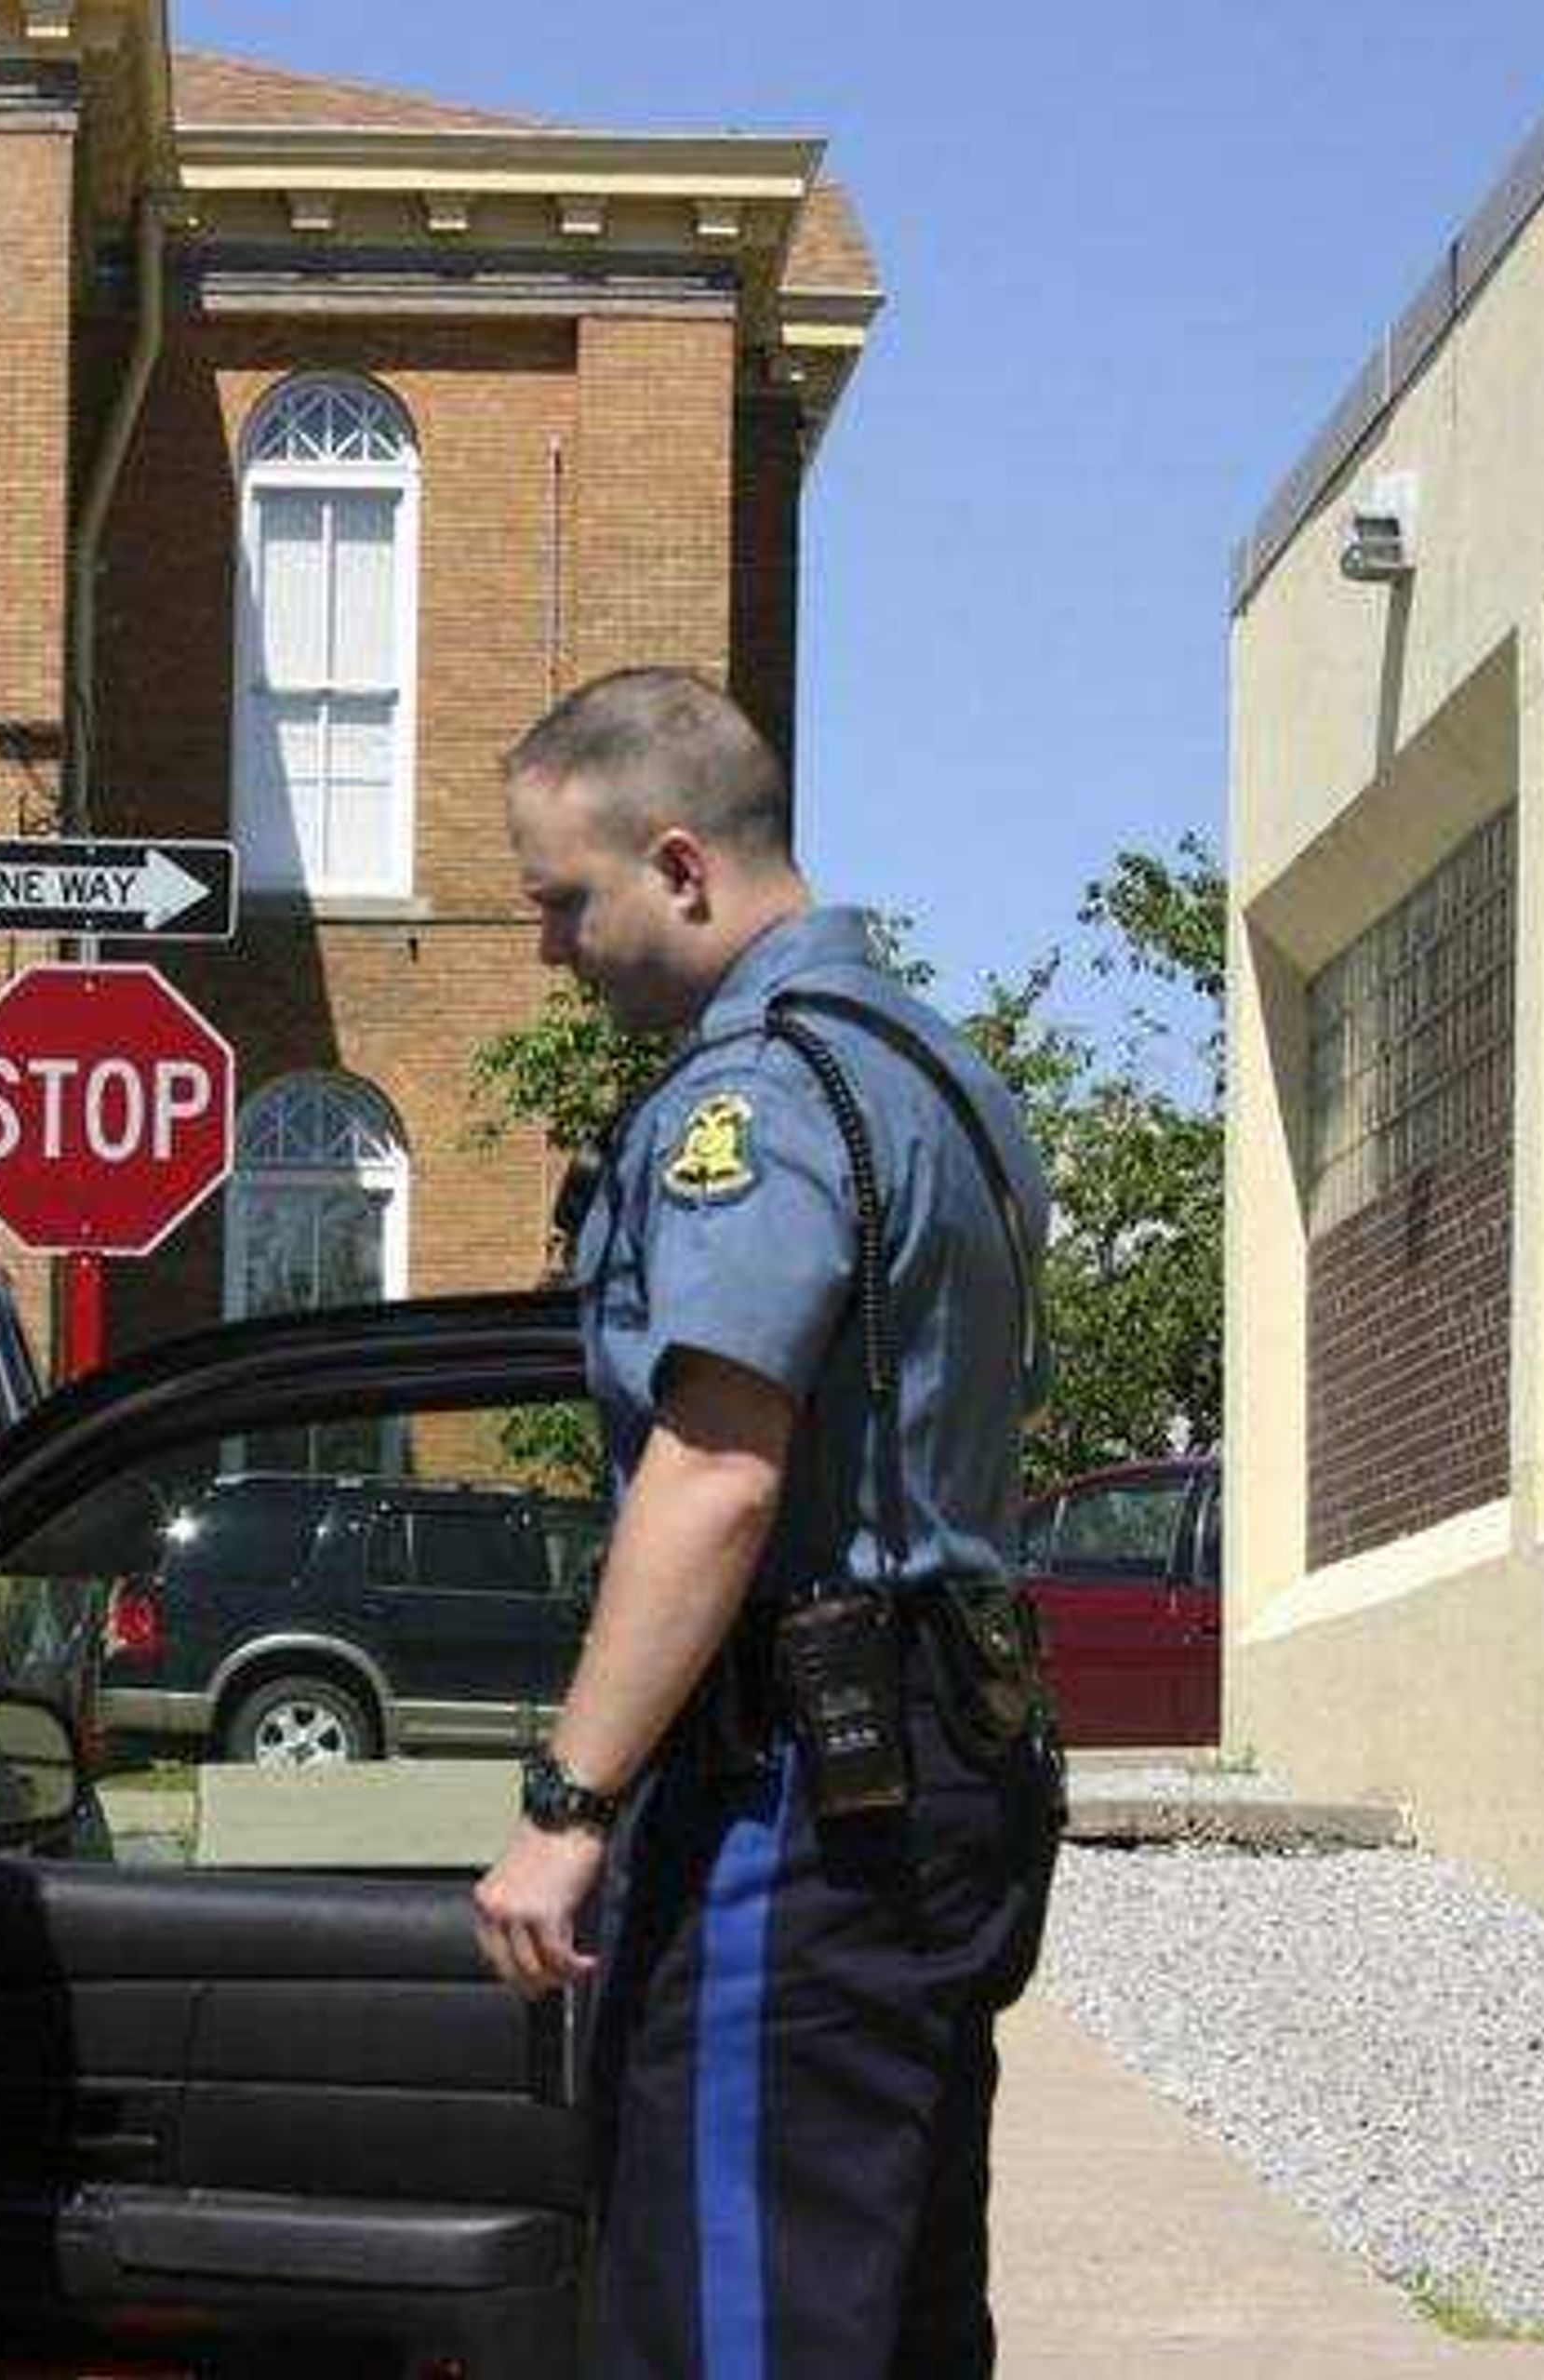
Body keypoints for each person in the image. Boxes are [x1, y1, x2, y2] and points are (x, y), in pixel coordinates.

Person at [473, 668, 1062, 2377]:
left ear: (680, 865)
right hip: (942, 1762)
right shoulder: (935, 1069)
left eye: (561, 902)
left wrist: (570, 1803)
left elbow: (720, 1464)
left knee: (733, 2313)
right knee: (885, 2303)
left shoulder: (760, 1099)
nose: (547, 950)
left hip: (796, 1792)